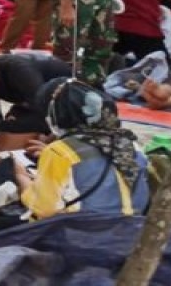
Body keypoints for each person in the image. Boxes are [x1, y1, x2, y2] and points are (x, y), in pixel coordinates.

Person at [14, 78, 148, 220]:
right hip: (131, 229)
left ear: (57, 115)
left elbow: (43, 209)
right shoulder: (131, 144)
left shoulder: (59, 151)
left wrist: (21, 177)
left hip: (83, 235)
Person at [0, 52, 72, 154]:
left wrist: (48, 144)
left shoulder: (19, 71)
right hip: (29, 104)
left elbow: (48, 114)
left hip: (60, 107)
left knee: (3, 157)